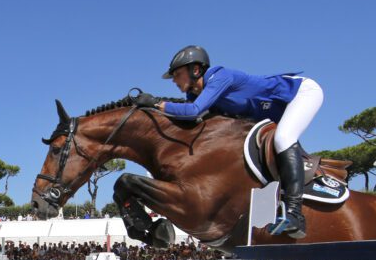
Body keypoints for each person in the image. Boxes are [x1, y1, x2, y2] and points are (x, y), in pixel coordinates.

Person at [133, 45, 321, 238]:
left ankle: (295, 214)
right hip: (271, 112)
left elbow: (193, 111)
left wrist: (156, 103)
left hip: (300, 93)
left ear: (195, 70)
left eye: (177, 74)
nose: (173, 80)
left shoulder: (219, 76)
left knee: (284, 138)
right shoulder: (194, 95)